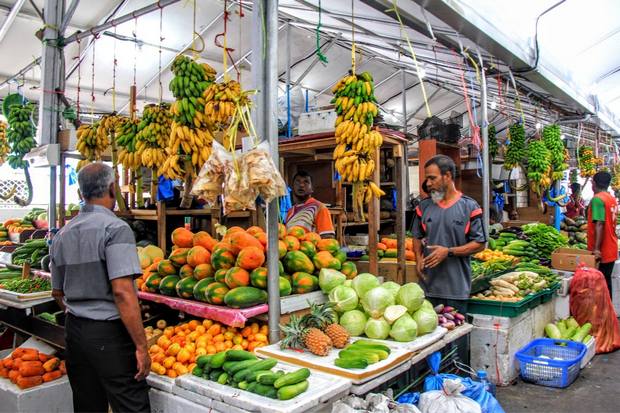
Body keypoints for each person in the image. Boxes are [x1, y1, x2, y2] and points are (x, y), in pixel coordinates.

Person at [50, 163, 150, 413]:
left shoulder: (62, 234)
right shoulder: (116, 229)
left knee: (87, 404)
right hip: (108, 333)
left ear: (81, 193)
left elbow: (57, 293)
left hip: (74, 331)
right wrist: (141, 346)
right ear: (112, 188)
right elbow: (123, 292)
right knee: (131, 404)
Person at [412, 155, 486, 311]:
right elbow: (417, 236)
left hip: (456, 291)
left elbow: (480, 244)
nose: (428, 183)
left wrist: (448, 252)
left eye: (432, 178)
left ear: (447, 176)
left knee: (456, 332)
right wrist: (418, 258)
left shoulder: (469, 207)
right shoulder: (424, 206)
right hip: (427, 289)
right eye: (427, 179)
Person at [587, 171, 618, 297]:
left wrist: (597, 249)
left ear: (593, 183)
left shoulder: (597, 199)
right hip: (612, 246)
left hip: (603, 250)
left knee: (600, 286)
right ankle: (607, 313)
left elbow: (600, 224)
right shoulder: (611, 198)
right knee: (605, 283)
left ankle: (603, 313)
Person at [285, 170, 335, 238]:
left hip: (310, 248)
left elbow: (328, 237)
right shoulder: (290, 211)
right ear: (292, 187)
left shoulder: (319, 207)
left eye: (306, 182)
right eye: (298, 182)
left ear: (312, 188)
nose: (301, 185)